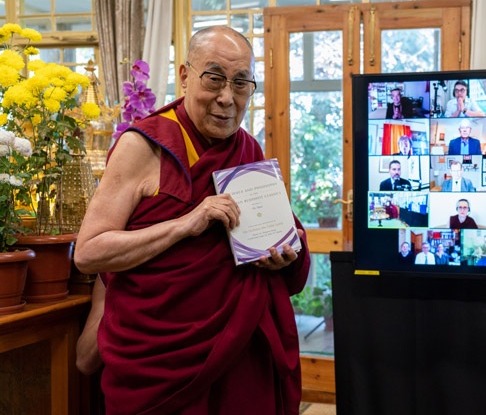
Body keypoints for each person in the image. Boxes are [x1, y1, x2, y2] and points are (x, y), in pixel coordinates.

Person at [73, 26, 311, 414]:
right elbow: (89, 252)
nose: (226, 98)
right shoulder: (142, 146)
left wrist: (288, 253)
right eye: (214, 78)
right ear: (184, 76)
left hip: (239, 353)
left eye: (240, 84)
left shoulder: (247, 148)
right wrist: (186, 223)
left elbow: (281, 233)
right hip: (159, 359)